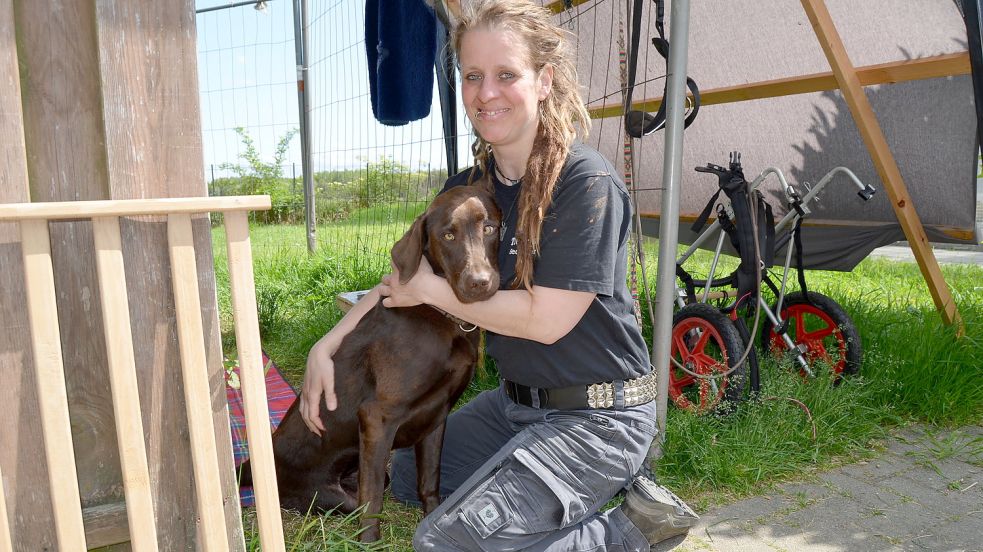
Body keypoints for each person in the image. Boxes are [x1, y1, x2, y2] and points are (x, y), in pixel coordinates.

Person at [299, 0, 697, 549]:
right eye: (473, 77)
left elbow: (547, 321)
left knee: (444, 542)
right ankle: (546, 509)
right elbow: (404, 274)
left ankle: (627, 529)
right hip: (514, 406)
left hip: (599, 418)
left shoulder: (584, 184)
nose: (487, 93)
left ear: (543, 80)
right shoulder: (468, 185)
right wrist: (329, 343)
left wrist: (433, 290)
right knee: (407, 480)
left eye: (506, 75)